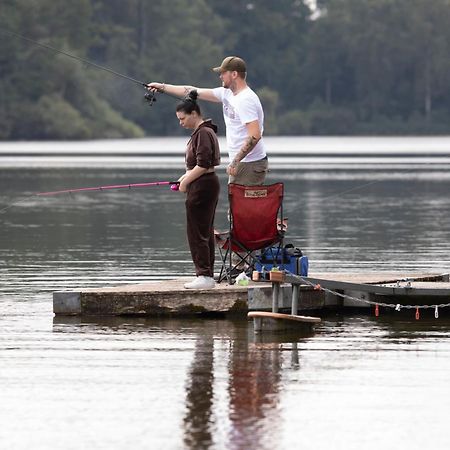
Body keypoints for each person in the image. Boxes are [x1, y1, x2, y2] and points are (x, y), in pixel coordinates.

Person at [147, 56, 268, 186]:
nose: (220, 76)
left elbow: (255, 136)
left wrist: (235, 161)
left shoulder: (246, 99)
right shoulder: (226, 93)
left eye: (223, 73)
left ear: (234, 74)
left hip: (250, 163)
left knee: (242, 206)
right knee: (237, 206)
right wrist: (163, 87)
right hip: (242, 162)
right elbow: (191, 91)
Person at [175, 90, 221, 290]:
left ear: (194, 113)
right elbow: (199, 166)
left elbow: (203, 164)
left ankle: (204, 275)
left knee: (197, 232)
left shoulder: (203, 133)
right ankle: (206, 275)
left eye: (182, 118)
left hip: (203, 186)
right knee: (204, 230)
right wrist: (185, 177)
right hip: (205, 184)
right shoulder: (204, 131)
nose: (181, 122)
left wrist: (185, 183)